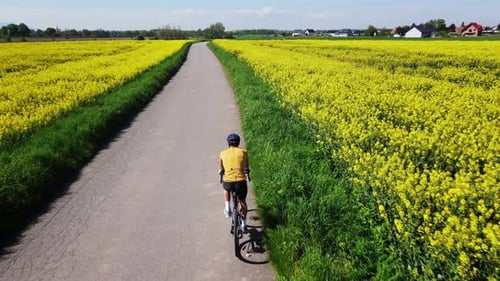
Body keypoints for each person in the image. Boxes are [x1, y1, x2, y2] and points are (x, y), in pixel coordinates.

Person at [219, 133, 250, 232]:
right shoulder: (244, 152)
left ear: (228, 143)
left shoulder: (223, 153)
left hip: (229, 182)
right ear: (238, 143)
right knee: (243, 201)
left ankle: (227, 208)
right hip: (241, 182)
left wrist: (222, 171)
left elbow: (222, 168)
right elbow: (246, 167)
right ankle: (244, 224)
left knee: (226, 188)